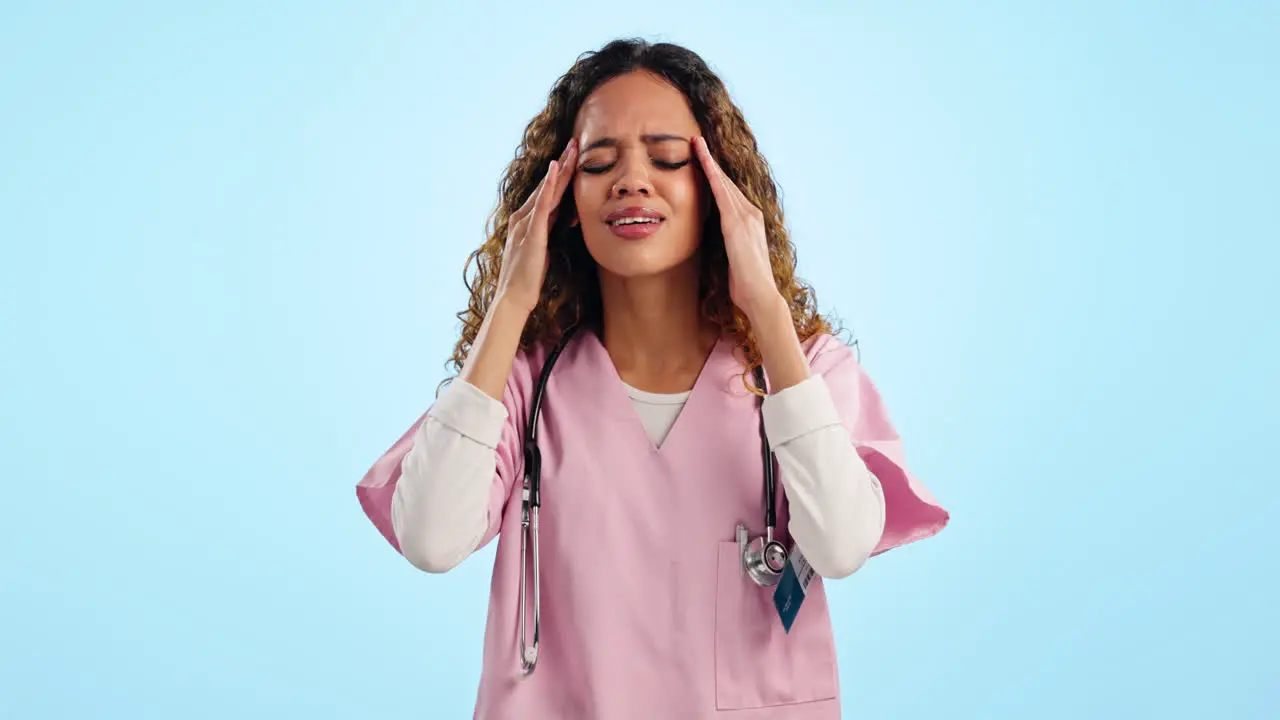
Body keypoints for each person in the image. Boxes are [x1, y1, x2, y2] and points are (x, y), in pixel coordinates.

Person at [356, 38, 948, 719]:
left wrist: (768, 313)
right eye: (599, 162)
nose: (631, 180)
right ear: (565, 203)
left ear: (719, 188)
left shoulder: (803, 372)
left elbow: (841, 546)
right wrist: (509, 303)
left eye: (667, 158)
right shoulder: (523, 382)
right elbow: (430, 539)